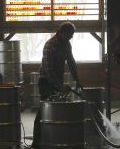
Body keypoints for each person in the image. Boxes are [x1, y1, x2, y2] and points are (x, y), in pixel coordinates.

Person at [31, 21, 80, 149]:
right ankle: (36, 143)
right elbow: (48, 71)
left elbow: (71, 61)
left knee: (57, 111)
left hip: (56, 81)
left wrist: (77, 79)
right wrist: (60, 86)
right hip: (46, 81)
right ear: (62, 33)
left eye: (71, 37)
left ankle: (54, 139)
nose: (71, 38)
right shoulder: (50, 45)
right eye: (69, 36)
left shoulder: (66, 44)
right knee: (44, 111)